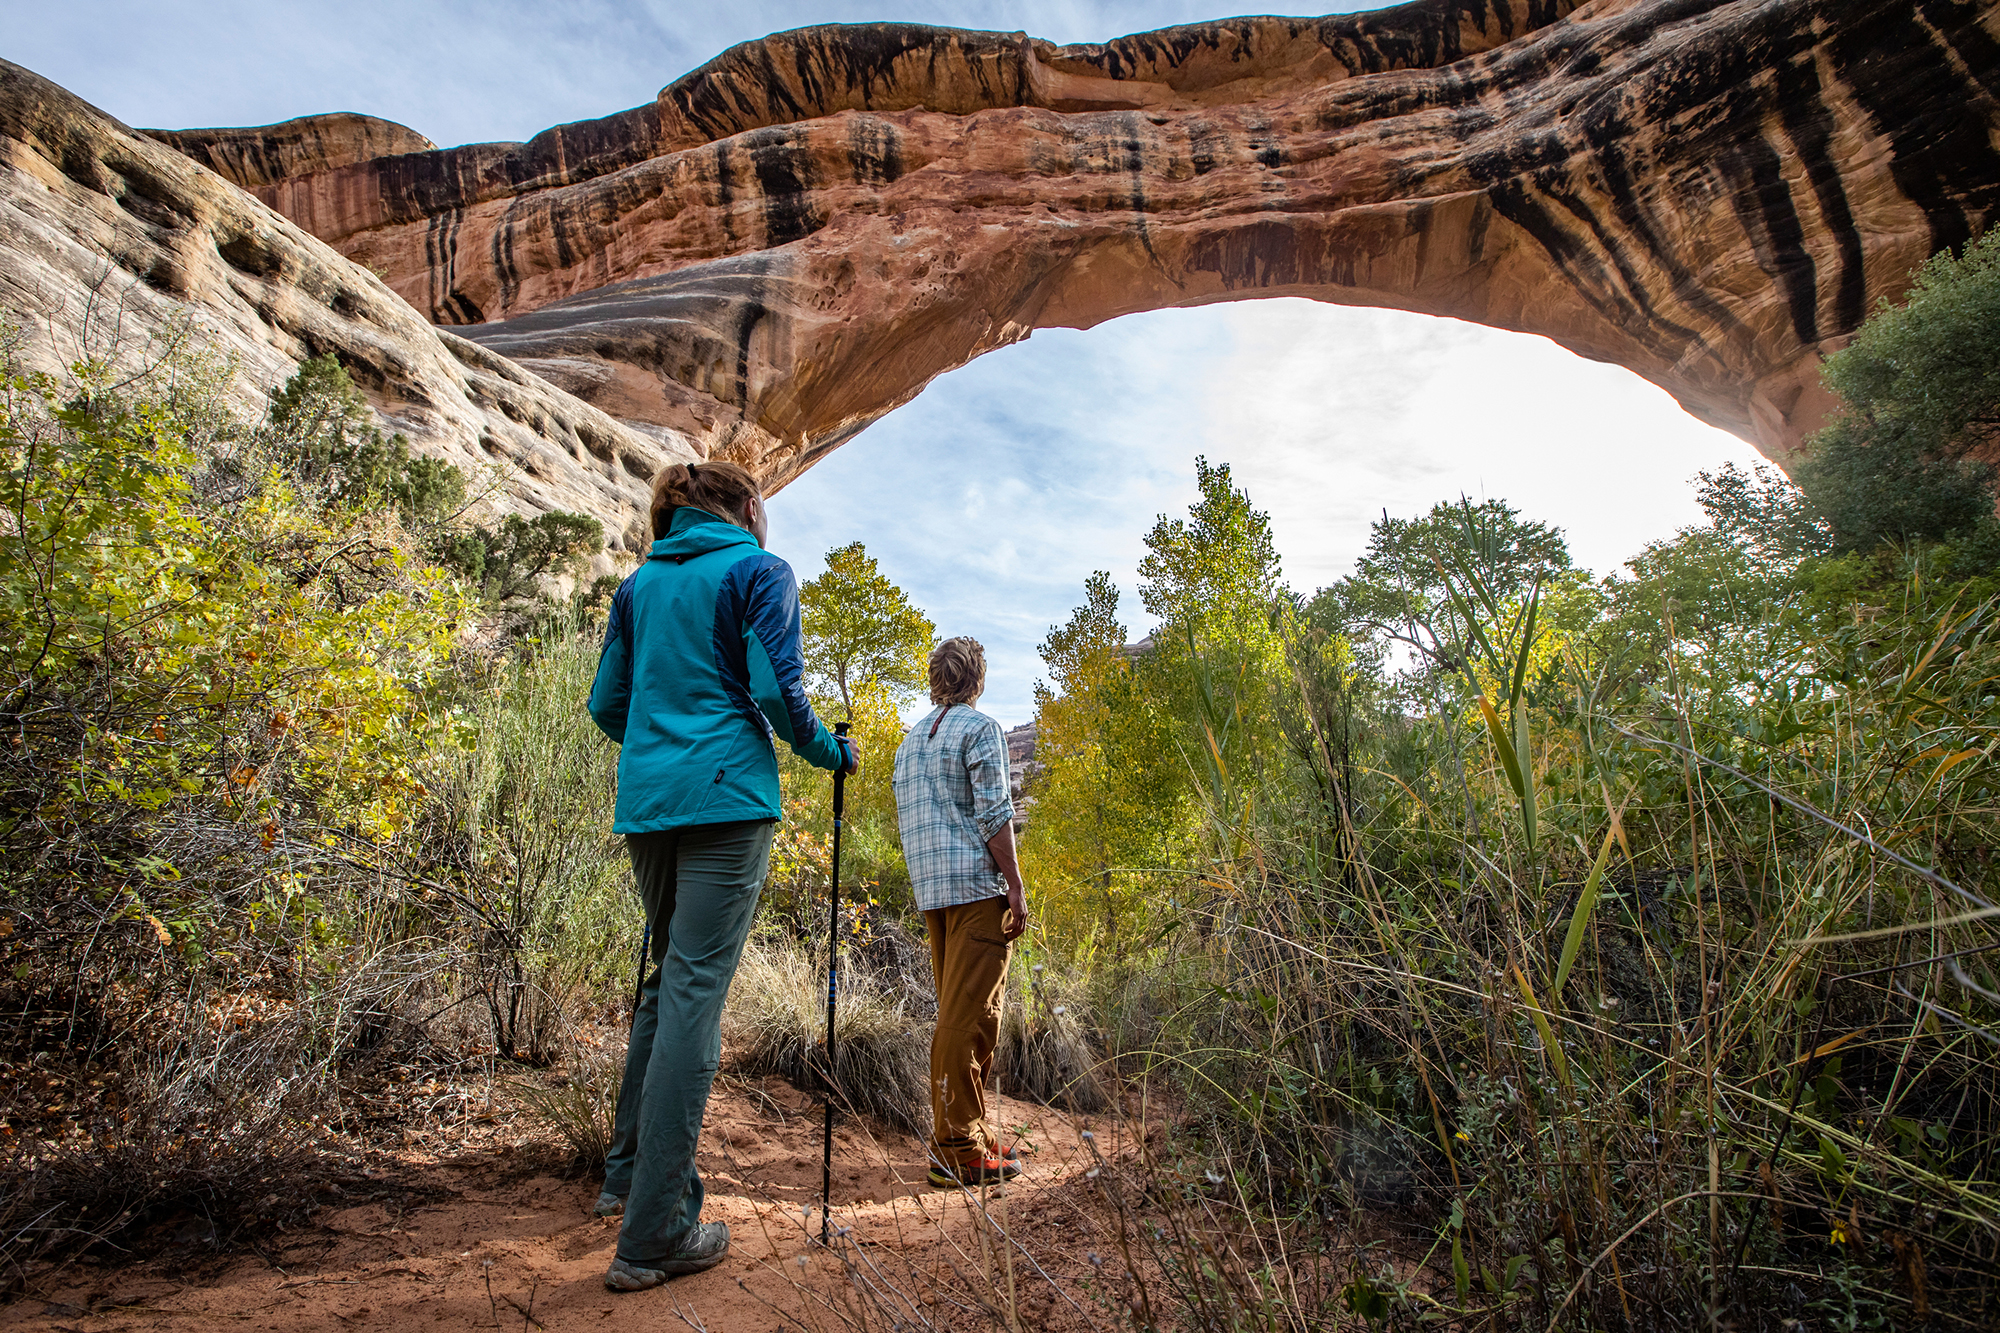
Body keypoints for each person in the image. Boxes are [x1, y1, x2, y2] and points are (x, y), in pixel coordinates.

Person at [587, 459, 857, 1291]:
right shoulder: (758, 569)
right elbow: (778, 690)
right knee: (697, 990)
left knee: (668, 981)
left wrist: (663, 751)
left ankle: (624, 1177)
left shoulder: (637, 587)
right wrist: (827, 751)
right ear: (745, 506)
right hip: (727, 800)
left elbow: (607, 704)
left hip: (650, 802)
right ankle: (655, 1232)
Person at [891, 637, 1030, 1187]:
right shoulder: (980, 729)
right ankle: (955, 1148)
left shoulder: (908, 743)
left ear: (935, 678)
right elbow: (995, 813)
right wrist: (1015, 886)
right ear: (976, 679)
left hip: (933, 894)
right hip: (974, 889)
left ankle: (969, 1129)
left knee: (972, 1012)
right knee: (967, 1018)